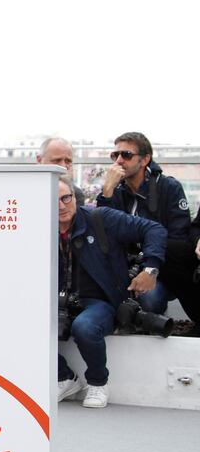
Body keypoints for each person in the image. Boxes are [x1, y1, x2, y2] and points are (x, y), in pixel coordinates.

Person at [56, 176, 166, 408]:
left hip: (100, 301)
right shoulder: (35, 229)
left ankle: (97, 383)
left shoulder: (100, 218)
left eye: (66, 198)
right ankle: (64, 377)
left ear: (75, 198)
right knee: (17, 324)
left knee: (85, 327)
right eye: (52, 200)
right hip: (57, 302)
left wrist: (150, 268)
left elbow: (153, 229)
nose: (61, 205)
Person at [95, 132, 192, 317]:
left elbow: (179, 239)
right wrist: (107, 191)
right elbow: (102, 233)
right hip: (123, 267)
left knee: (149, 298)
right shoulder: (115, 189)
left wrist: (148, 267)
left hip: (162, 268)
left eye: (126, 155)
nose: (119, 161)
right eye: (115, 155)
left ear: (145, 159)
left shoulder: (168, 187)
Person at [37, 137, 85, 205]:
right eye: (57, 160)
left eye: (68, 161)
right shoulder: (25, 188)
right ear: (39, 160)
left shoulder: (76, 194)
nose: (63, 166)